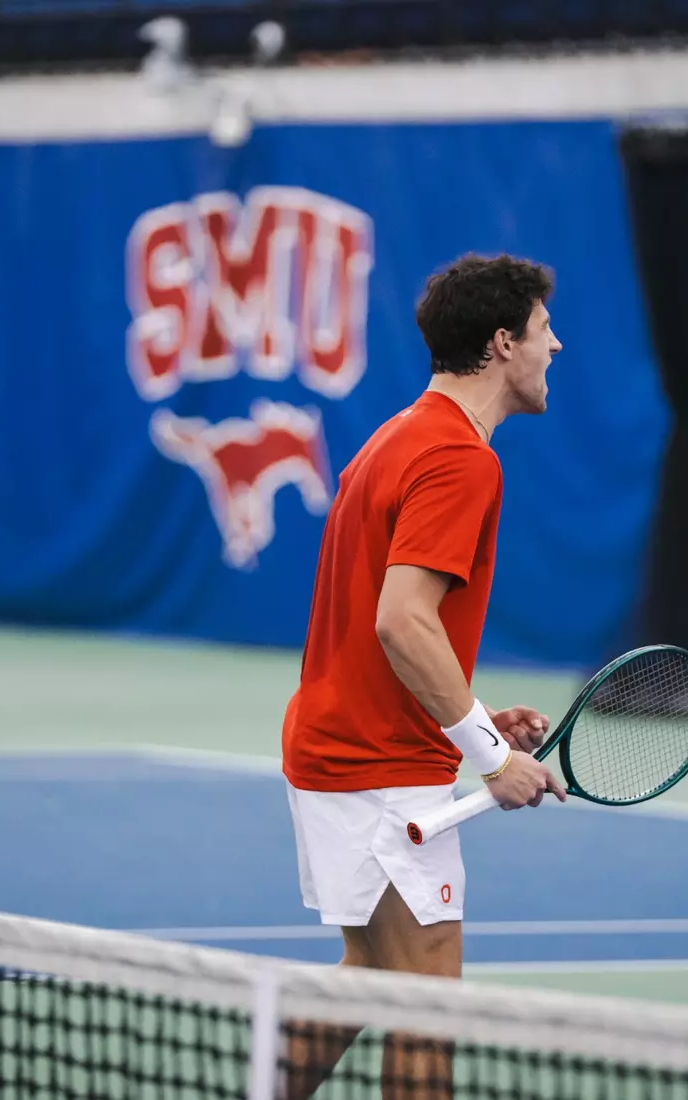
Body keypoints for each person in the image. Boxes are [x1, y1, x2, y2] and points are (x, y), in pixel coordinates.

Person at [279, 254, 566, 1097]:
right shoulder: (460, 459)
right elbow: (401, 619)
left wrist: (472, 712)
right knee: (426, 1003)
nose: (558, 347)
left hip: (338, 751)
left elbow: (399, 626)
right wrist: (490, 753)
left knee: (368, 974)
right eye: (546, 332)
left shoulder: (396, 437)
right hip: (380, 771)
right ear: (503, 343)